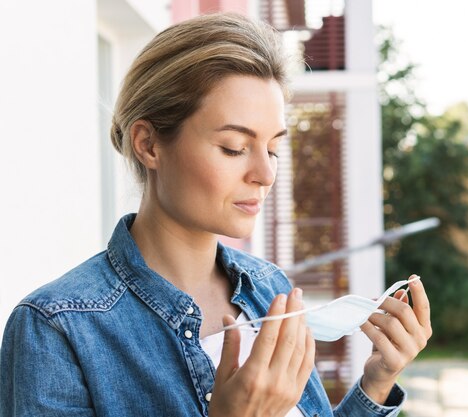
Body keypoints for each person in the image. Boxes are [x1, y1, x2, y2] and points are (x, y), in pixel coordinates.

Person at [0, 12, 432, 417]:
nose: (264, 173)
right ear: (149, 144)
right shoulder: (57, 329)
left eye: (274, 148)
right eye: (234, 148)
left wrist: (376, 384)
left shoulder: (269, 288)